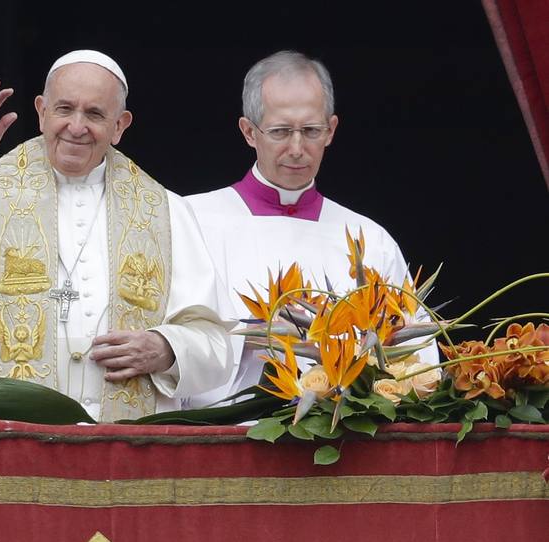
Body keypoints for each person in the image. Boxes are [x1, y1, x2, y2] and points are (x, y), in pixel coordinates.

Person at [0, 50, 232, 422]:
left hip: (129, 451)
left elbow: (215, 346)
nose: (76, 126)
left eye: (94, 114)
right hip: (15, 445)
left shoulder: (165, 210)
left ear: (120, 125)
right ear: (41, 112)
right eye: (64, 109)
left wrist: (167, 349)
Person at [185, 50, 439, 407]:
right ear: (248, 132)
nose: (297, 148)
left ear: (331, 130)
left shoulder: (370, 240)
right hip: (223, 444)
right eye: (280, 131)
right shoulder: (190, 220)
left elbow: (416, 362)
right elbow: (171, 346)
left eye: (310, 131)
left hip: (345, 447)